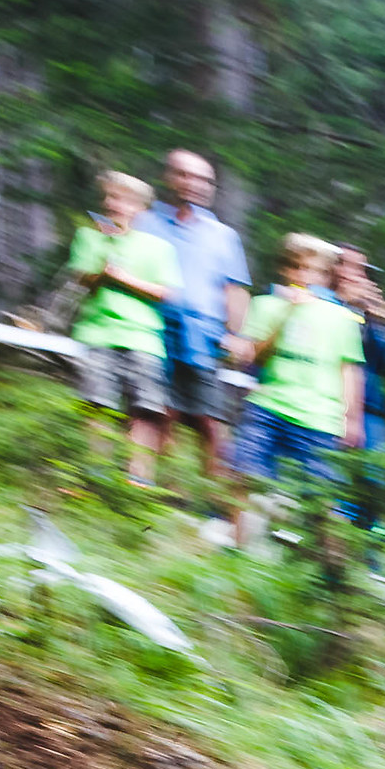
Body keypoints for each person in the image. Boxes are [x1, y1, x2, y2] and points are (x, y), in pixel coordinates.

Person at [133, 150, 251, 505]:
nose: (194, 185)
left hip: (205, 339)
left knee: (211, 422)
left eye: (202, 179)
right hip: (154, 333)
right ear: (170, 178)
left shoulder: (223, 236)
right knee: (158, 415)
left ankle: (215, 505)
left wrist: (238, 335)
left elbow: (235, 289)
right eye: (185, 175)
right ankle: (160, 497)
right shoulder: (146, 223)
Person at [65, 170, 179, 482]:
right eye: (109, 197)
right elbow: (83, 278)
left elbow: (164, 292)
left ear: (140, 208)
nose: (111, 203)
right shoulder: (89, 237)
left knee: (145, 410)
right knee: (97, 405)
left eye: (121, 199)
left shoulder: (159, 248)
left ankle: (138, 479)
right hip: (97, 334)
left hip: (144, 340)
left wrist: (123, 278)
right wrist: (106, 257)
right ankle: (93, 476)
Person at [231, 233, 364, 493]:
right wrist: (285, 315)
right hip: (268, 407)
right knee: (245, 479)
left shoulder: (340, 317)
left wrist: (351, 419)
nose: (303, 275)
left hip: (319, 417)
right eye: (296, 266)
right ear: (284, 268)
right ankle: (243, 532)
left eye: (312, 270)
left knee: (320, 499)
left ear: (324, 276)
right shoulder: (265, 305)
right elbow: (251, 357)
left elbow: (349, 370)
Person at [333, 244, 385, 576]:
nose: (354, 274)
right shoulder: (324, 303)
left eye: (361, 269)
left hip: (371, 410)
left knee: (373, 485)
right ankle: (334, 564)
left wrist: (379, 322)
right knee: (335, 483)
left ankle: (374, 565)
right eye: (348, 266)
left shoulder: (370, 313)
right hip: (329, 404)